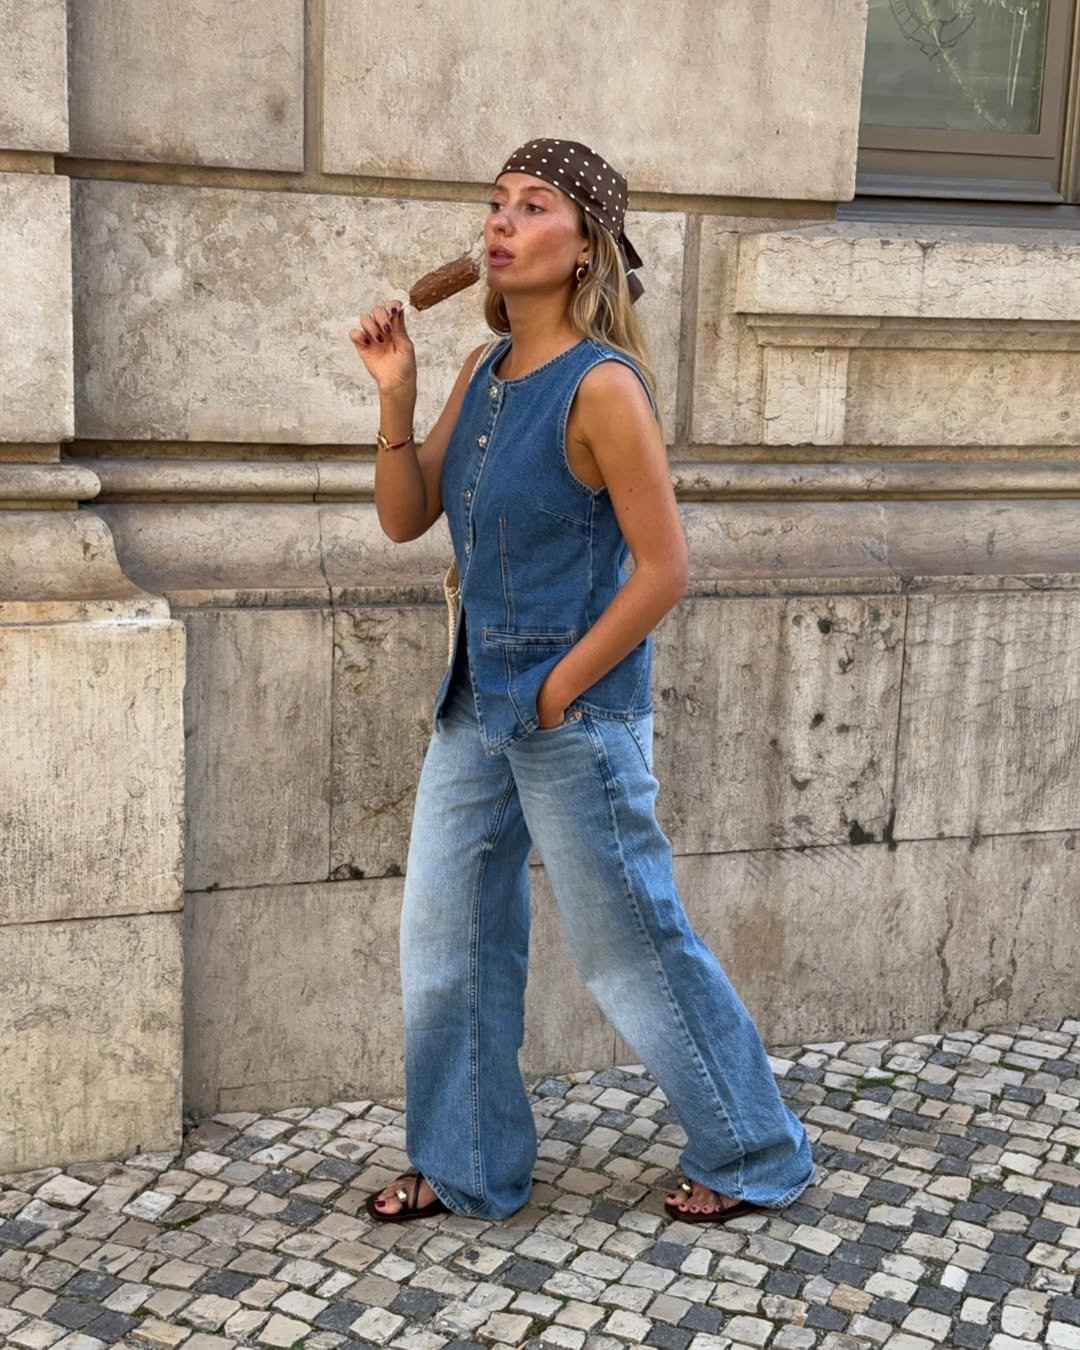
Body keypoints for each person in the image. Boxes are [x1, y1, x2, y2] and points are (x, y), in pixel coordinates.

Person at [348, 138, 814, 1225]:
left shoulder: (603, 389)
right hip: (474, 708)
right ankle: (468, 1165)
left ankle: (754, 1150)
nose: (502, 225)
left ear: (585, 246)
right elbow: (406, 516)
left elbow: (665, 571)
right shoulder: (480, 371)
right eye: (495, 204)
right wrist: (397, 395)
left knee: (629, 947)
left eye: (535, 205)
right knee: (446, 943)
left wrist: (559, 689)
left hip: (574, 714)